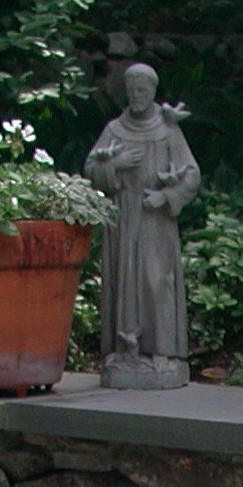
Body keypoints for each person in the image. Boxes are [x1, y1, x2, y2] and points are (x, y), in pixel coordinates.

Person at [85, 64, 201, 388]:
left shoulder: (168, 132)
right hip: (123, 218)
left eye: (144, 91)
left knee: (156, 281)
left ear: (153, 92)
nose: (137, 96)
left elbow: (191, 173)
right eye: (132, 90)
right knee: (124, 281)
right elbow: (91, 167)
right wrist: (114, 165)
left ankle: (162, 351)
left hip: (155, 221)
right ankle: (125, 349)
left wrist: (166, 196)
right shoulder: (114, 130)